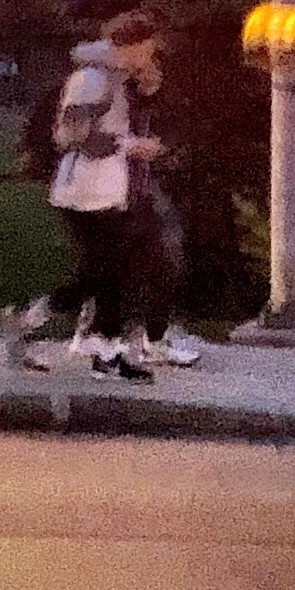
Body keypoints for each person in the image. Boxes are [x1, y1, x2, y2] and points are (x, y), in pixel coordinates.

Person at [0, 11, 159, 382]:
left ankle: (102, 348)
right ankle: (31, 321)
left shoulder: (115, 78)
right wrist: (130, 146)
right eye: (148, 48)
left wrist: (146, 94)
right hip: (84, 190)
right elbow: (73, 135)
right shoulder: (92, 79)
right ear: (132, 45)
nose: (150, 56)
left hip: (104, 188)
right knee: (104, 271)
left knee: (111, 271)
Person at [116, 40, 206, 370]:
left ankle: (153, 335)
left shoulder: (165, 101)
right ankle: (140, 336)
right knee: (135, 264)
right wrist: (133, 147)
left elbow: (177, 139)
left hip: (149, 189)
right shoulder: (121, 97)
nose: (149, 73)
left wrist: (163, 149)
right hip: (122, 190)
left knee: (164, 262)